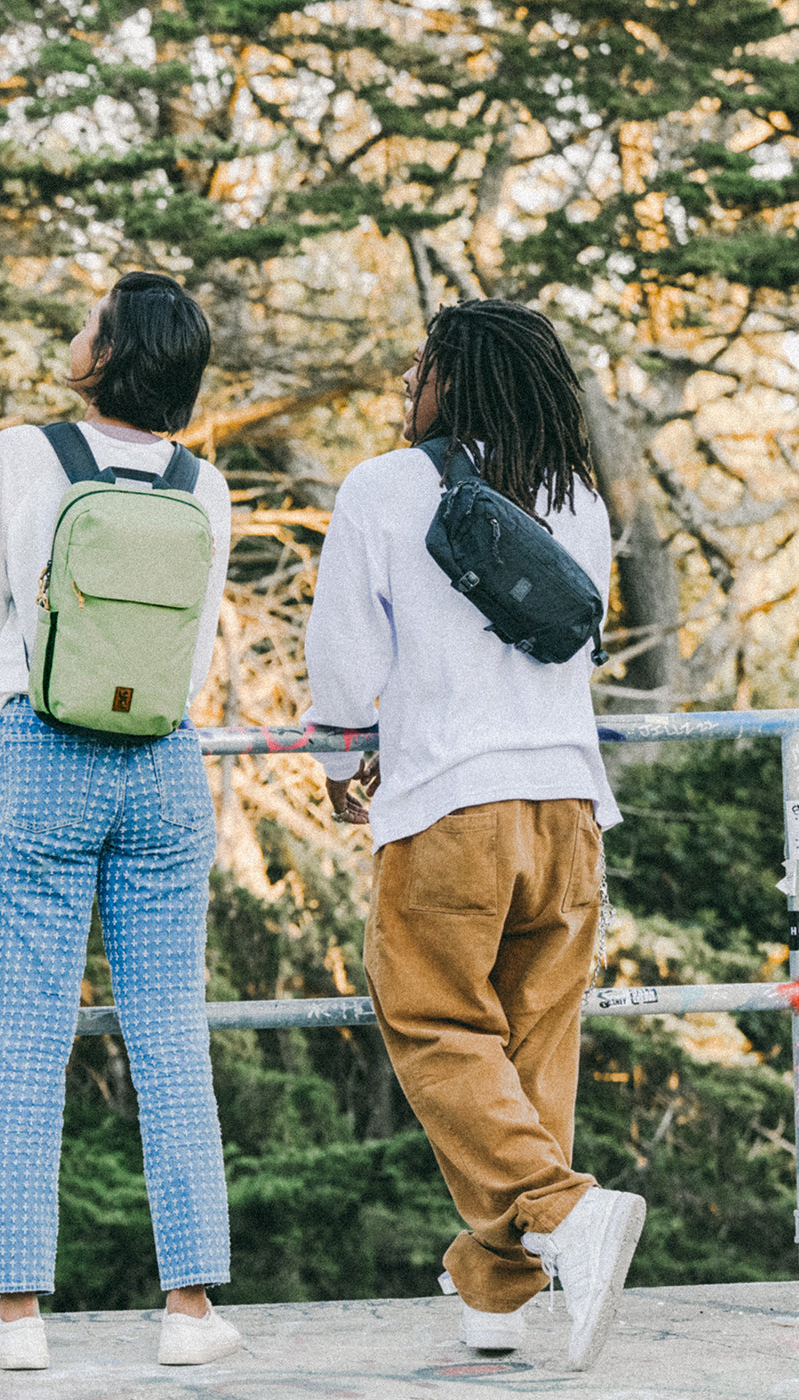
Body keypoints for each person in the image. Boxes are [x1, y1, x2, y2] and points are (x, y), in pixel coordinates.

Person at [303, 299, 644, 1371]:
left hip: (451, 805)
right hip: (567, 804)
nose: (408, 383)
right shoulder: (576, 495)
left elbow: (345, 659)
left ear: (453, 377)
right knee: (529, 1047)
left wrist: (335, 762)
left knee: (434, 1021)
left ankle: (562, 1206)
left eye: (420, 367)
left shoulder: (382, 486)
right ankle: (495, 1299)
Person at [0, 272, 238, 1370]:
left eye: (86, 323)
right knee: (170, 1030)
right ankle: (191, 1310)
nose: (72, 335)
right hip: (164, 760)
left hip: (45, 748)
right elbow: (194, 643)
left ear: (107, 354)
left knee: (28, 1034)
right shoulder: (201, 484)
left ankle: (17, 1316)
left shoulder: (24, 455)